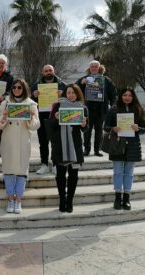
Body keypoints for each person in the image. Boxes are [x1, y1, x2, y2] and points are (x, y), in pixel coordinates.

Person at [0, 79, 40, 214]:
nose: (16, 89)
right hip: (8, 142)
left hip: (23, 142)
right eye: (14, 87)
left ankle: (18, 200)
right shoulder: (5, 102)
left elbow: (36, 125)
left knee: (22, 172)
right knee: (8, 171)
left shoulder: (31, 104)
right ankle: (10, 199)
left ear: (24, 88)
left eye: (19, 87)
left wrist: (31, 117)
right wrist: (4, 117)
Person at [104, 87, 145, 210]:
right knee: (118, 172)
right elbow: (105, 127)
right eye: (124, 95)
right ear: (120, 96)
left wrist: (138, 128)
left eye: (129, 95)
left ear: (133, 97)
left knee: (129, 173)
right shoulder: (113, 110)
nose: (127, 97)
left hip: (133, 145)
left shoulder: (139, 110)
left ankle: (127, 198)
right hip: (117, 144)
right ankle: (117, 198)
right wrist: (113, 128)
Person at [48, 84, 88, 213]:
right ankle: (62, 199)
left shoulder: (83, 108)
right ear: (65, 94)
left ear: (78, 94)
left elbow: (84, 129)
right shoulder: (57, 106)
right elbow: (51, 126)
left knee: (73, 174)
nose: (71, 95)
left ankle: (70, 200)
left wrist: (84, 124)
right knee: (60, 174)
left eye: (73, 93)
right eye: (68, 92)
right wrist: (55, 118)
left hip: (75, 145)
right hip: (60, 145)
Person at [31, 64, 67, 174]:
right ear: (43, 73)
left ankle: (56, 164)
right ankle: (44, 164)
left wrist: (63, 95)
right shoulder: (36, 85)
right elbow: (31, 101)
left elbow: (70, 98)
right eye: (46, 70)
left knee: (56, 141)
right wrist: (34, 95)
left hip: (56, 116)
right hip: (42, 117)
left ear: (54, 71)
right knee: (43, 142)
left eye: (50, 70)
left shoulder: (62, 85)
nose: (48, 72)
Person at [76, 59, 116, 157]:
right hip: (87, 109)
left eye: (96, 66)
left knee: (99, 131)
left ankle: (97, 150)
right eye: (92, 66)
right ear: (89, 68)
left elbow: (113, 94)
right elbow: (74, 90)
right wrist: (81, 83)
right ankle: (86, 149)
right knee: (87, 130)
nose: (94, 68)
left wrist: (112, 107)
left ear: (99, 68)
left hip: (101, 110)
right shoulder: (84, 79)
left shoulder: (106, 80)